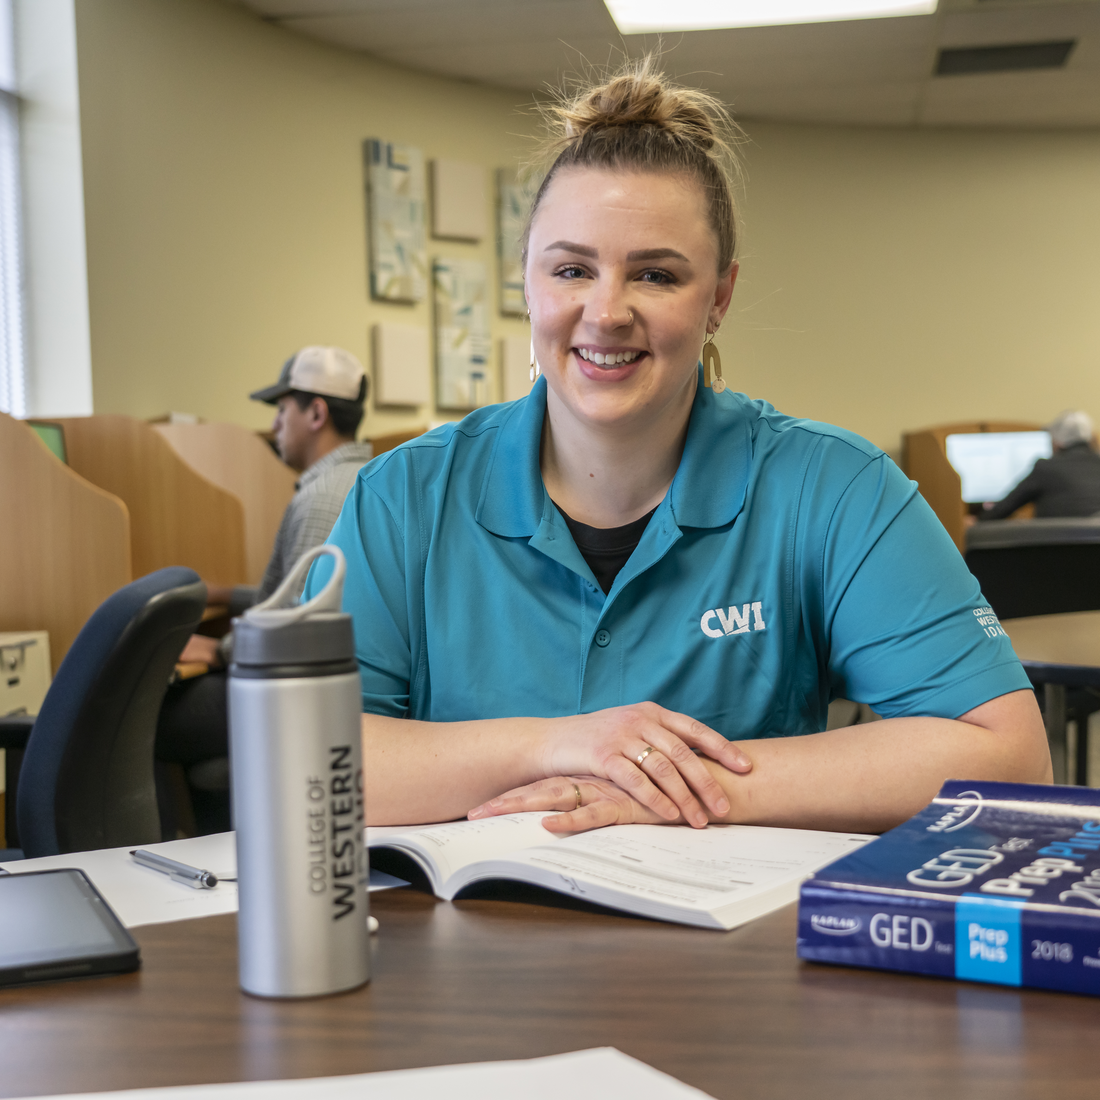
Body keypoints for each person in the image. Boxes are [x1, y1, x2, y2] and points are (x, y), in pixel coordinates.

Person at [307, 59, 1050, 838]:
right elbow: (311, 762)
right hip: (461, 947)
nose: (606, 311)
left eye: (655, 275)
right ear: (524, 281)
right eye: (571, 269)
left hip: (728, 949)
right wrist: (569, 746)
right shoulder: (404, 497)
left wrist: (679, 786)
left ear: (719, 298)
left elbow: (1011, 756)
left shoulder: (836, 489)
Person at [157, 347, 374, 832]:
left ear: (316, 413)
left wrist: (217, 651)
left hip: (300, 692)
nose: (275, 425)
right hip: (329, 680)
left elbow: (299, 619)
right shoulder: (357, 476)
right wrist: (231, 593)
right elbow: (304, 584)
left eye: (282, 411)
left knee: (147, 712)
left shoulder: (322, 496)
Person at [979, 410, 1100, 521]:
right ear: (1092, 439)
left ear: (1057, 442)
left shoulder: (1046, 468)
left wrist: (978, 520)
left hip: (1057, 542)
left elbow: (1003, 509)